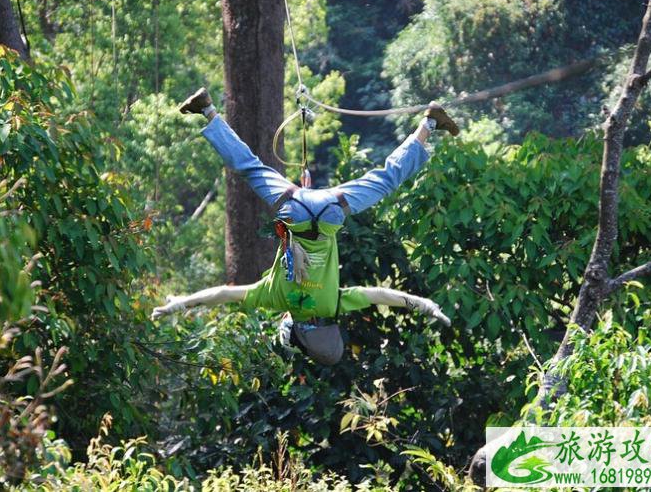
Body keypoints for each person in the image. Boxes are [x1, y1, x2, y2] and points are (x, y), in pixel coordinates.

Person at [151, 88, 459, 365]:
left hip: (330, 207)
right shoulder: (275, 298)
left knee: (387, 179)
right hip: (294, 206)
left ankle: (429, 123)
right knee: (248, 166)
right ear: (292, 327)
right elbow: (222, 293)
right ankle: (207, 110)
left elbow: (381, 295)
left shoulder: (332, 305)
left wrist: (424, 305)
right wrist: (180, 303)